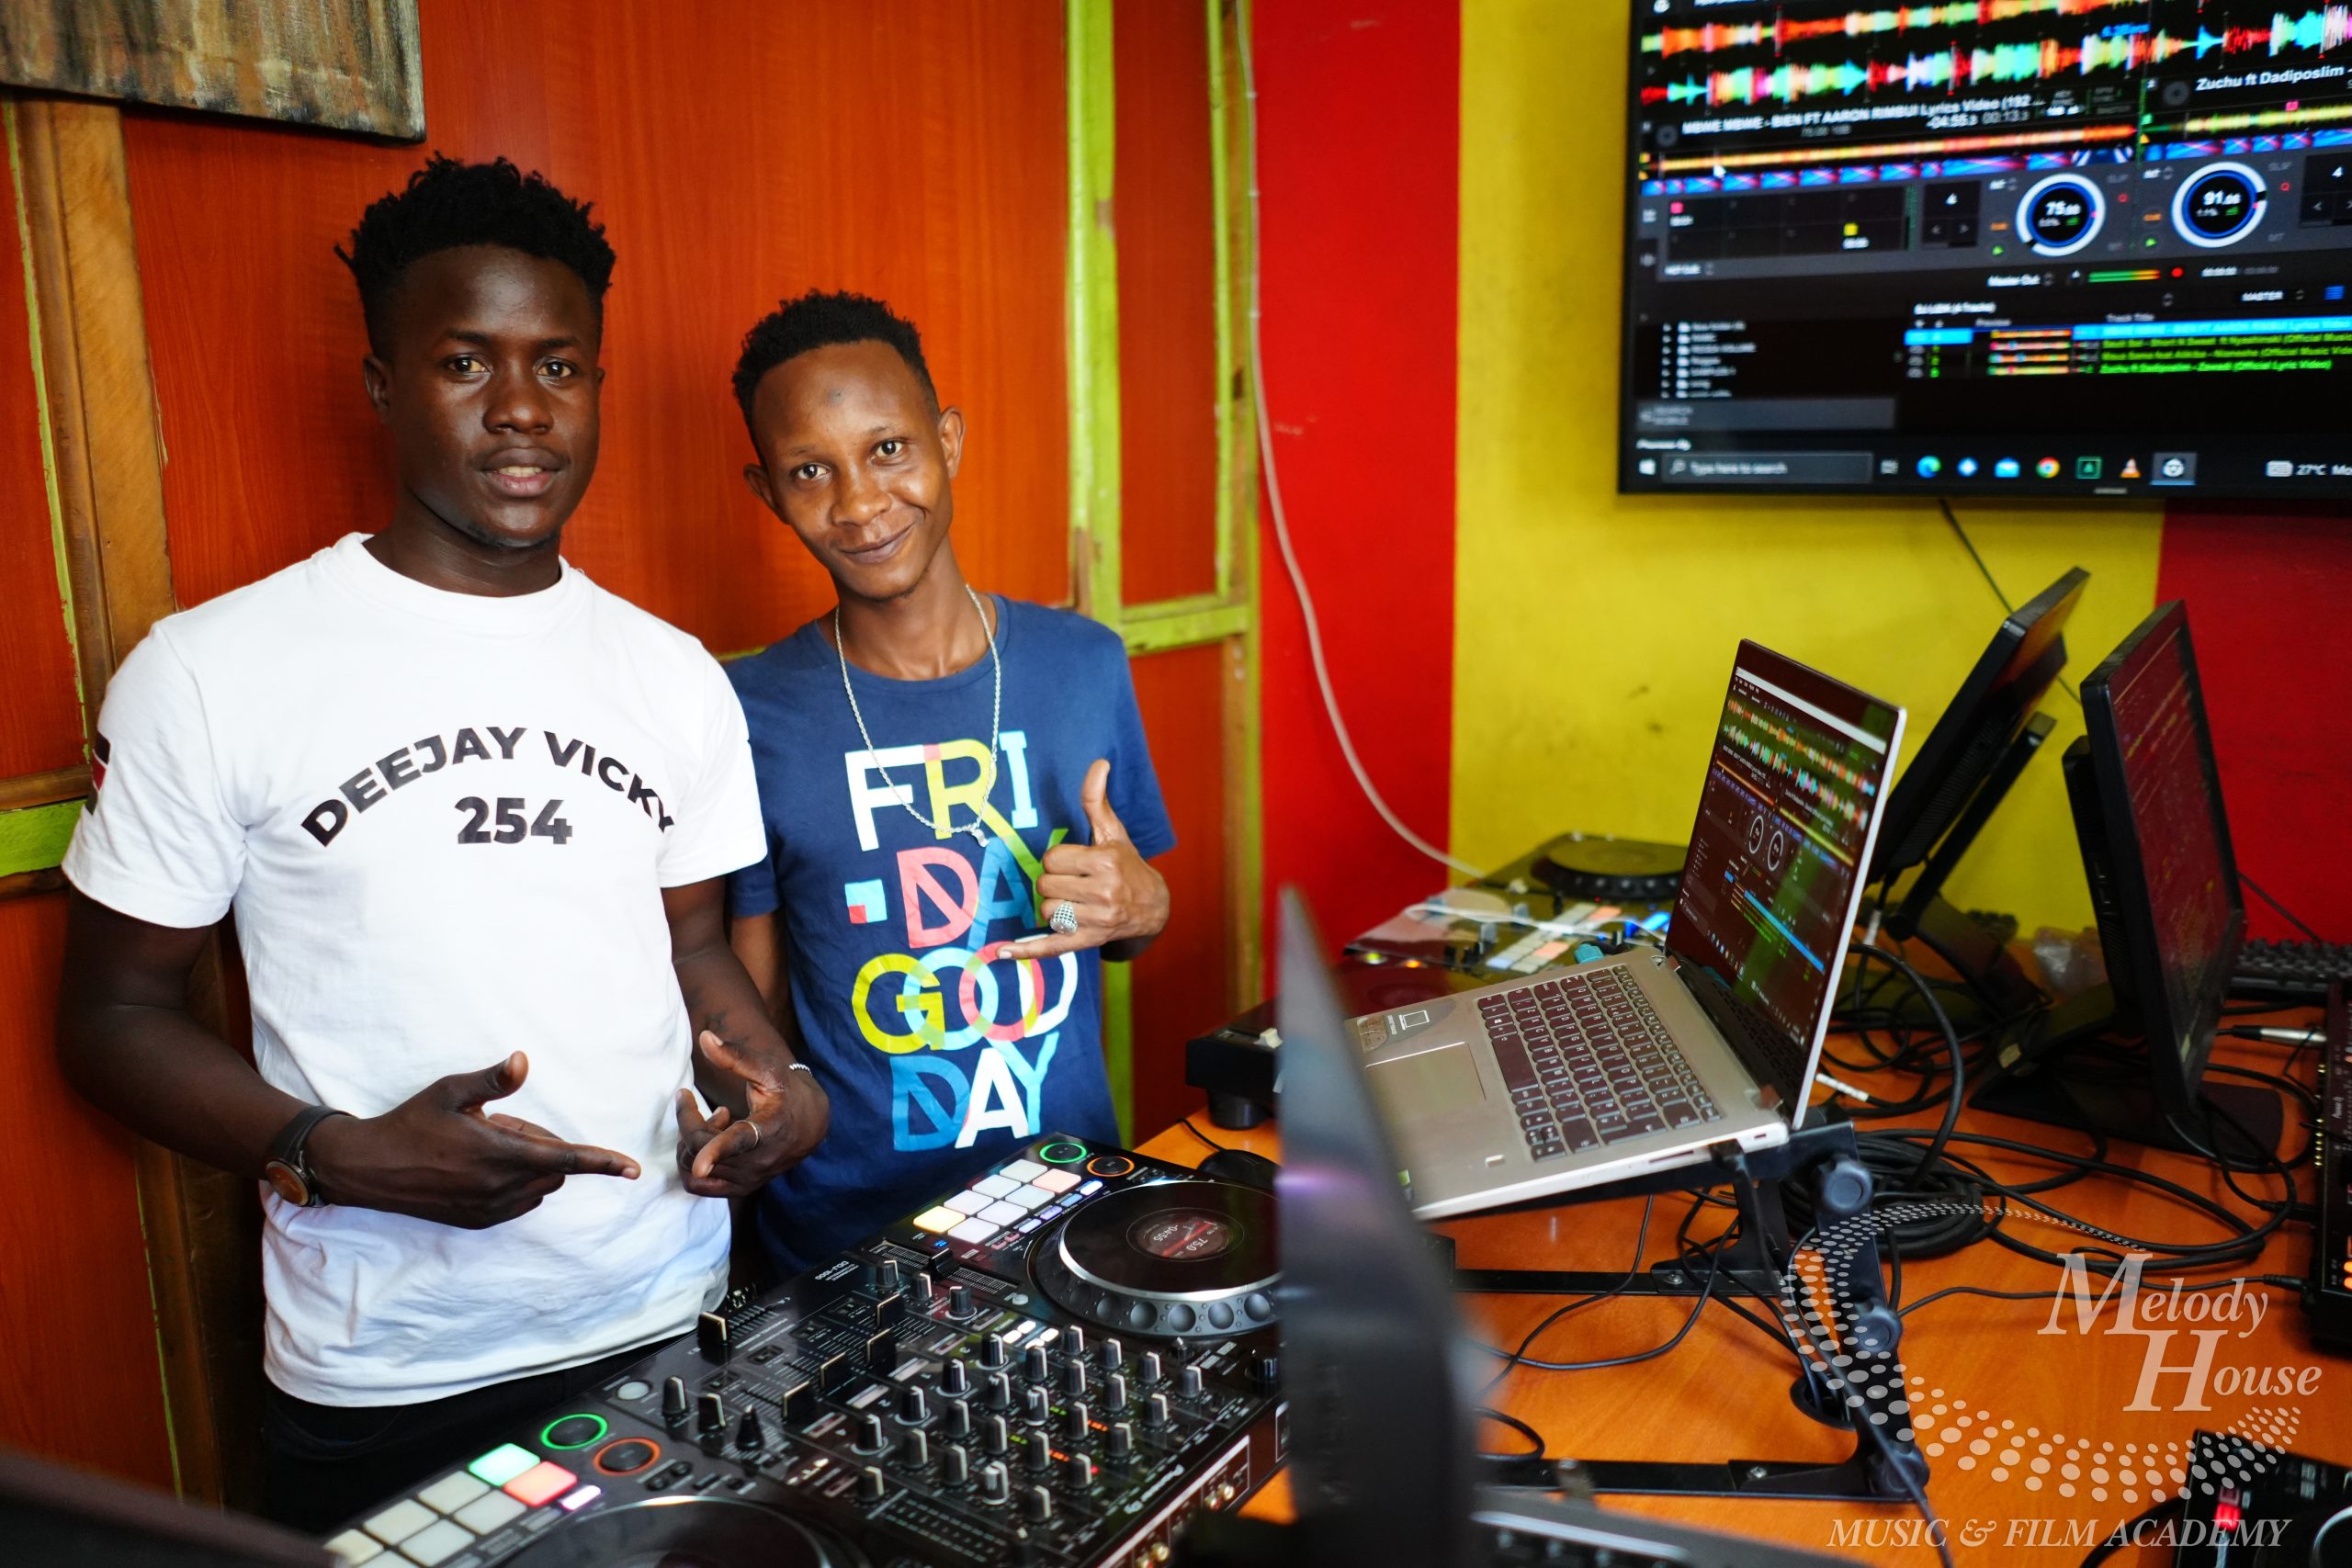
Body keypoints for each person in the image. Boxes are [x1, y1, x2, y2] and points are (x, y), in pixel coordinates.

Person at [53, 155, 827, 1531]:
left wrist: (781, 1085)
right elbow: (110, 1013)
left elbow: (695, 946)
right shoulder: (212, 668)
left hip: (674, 1315)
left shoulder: (668, 673)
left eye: (562, 366)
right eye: (467, 361)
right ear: (381, 382)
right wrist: (328, 1148)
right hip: (389, 1370)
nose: (524, 409)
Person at [724, 290, 1173, 1273]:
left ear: (948, 440)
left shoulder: (1082, 663)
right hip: (847, 1237)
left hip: (1068, 1200)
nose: (859, 504)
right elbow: (751, 995)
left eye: (888, 449)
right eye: (812, 471)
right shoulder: (746, 710)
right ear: (769, 493)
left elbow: (1133, 920)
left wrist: (1143, 904)